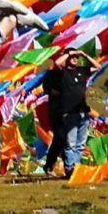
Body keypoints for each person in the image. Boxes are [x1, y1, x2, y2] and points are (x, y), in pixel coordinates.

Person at [42, 49, 99, 177]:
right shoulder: (58, 73)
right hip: (62, 111)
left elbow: (98, 67)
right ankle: (64, 168)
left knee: (77, 143)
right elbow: (49, 85)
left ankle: (74, 168)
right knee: (64, 141)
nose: (75, 58)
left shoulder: (81, 71)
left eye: (76, 57)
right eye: (73, 56)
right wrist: (68, 54)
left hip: (80, 112)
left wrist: (84, 54)